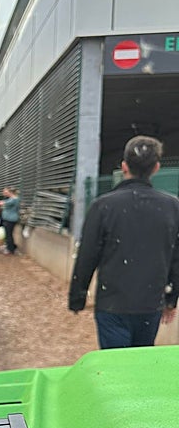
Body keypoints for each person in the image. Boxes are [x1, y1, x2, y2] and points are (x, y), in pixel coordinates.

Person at [68, 135, 179, 349]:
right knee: (140, 361)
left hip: (112, 303)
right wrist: (171, 299)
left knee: (114, 364)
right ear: (156, 168)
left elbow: (87, 256)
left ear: (124, 166)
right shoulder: (172, 207)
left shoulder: (103, 206)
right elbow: (176, 257)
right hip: (150, 303)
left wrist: (77, 297)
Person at [0, 186, 20, 254]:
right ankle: (11, 247)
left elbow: (4, 203)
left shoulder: (14, 199)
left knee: (8, 234)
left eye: (7, 192)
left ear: (11, 192)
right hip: (10, 219)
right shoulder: (12, 199)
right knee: (9, 234)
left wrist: (0, 203)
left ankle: (10, 249)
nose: (6, 193)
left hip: (10, 219)